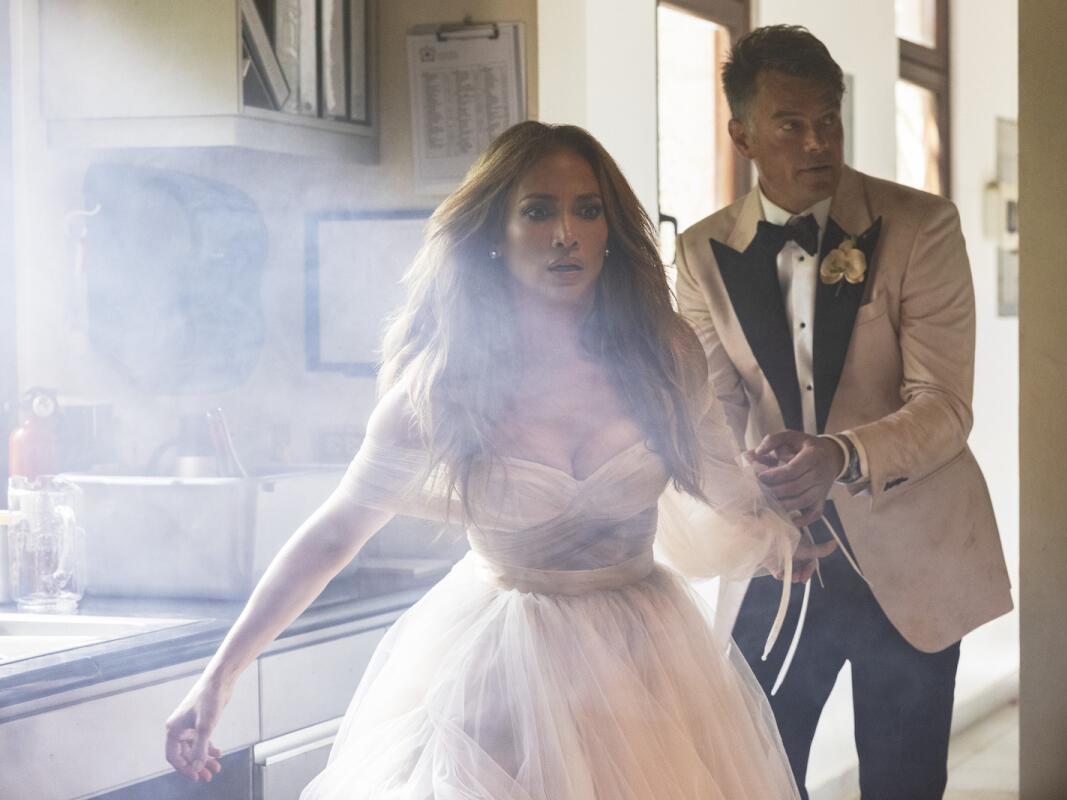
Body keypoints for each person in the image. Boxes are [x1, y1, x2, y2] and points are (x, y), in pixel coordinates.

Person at [164, 120, 836, 798]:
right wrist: (217, 678)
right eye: (538, 211)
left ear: (611, 231)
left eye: (587, 209)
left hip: (647, 666)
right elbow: (335, 531)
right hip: (499, 678)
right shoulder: (442, 385)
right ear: (495, 235)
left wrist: (781, 527)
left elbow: (727, 487)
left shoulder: (665, 353)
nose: (566, 233)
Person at [674, 25, 1013, 800]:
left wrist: (840, 453)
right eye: (791, 123)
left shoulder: (920, 227)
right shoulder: (699, 254)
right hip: (780, 556)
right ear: (743, 134)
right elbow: (714, 411)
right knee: (754, 772)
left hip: (911, 549)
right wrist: (755, 502)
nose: (817, 139)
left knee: (902, 781)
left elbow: (945, 405)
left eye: (829, 118)